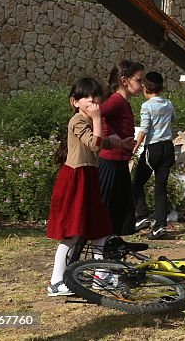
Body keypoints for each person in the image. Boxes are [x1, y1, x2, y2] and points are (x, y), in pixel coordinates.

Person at [46, 77, 126, 296]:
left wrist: (118, 142)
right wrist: (99, 118)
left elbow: (97, 142)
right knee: (71, 234)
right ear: (75, 102)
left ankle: (102, 275)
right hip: (76, 180)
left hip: (89, 177)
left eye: (96, 96)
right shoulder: (78, 121)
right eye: (87, 97)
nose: (93, 100)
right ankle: (56, 282)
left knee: (101, 229)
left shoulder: (87, 121)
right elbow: (94, 143)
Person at [132, 72, 176, 238]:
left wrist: (135, 147)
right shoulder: (168, 103)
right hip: (168, 148)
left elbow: (144, 129)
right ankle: (160, 226)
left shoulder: (147, 106)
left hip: (154, 148)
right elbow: (174, 119)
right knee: (160, 188)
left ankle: (142, 216)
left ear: (145, 87)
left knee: (137, 183)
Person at [99, 60, 141, 235]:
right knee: (105, 209)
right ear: (125, 81)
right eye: (139, 80)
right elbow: (97, 114)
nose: (142, 84)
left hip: (119, 162)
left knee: (121, 210)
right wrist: (109, 136)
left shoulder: (122, 101)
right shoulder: (116, 100)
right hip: (110, 161)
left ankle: (112, 249)